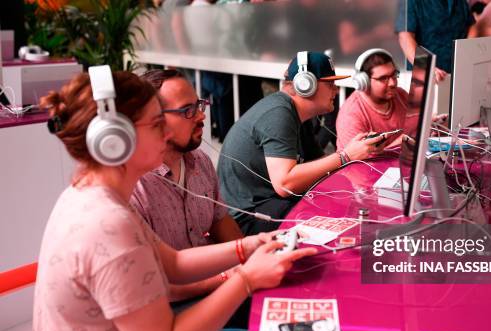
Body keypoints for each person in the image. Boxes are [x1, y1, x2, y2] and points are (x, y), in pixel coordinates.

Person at [34, 69, 315, 331]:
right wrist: (246, 280)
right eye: (156, 125)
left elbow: (175, 262)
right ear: (115, 141)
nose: (166, 134)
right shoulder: (105, 222)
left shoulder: (97, 196)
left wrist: (248, 246)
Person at [217, 51, 383, 235]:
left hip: (270, 203)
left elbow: (320, 166)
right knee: (336, 221)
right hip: (249, 217)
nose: (336, 90)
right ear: (305, 85)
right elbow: (285, 184)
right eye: (330, 83)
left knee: (345, 201)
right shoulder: (278, 114)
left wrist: (359, 158)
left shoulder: (298, 116)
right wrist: (346, 156)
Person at [131, 69, 244, 303]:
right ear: (153, 120)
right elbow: (155, 286)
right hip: (174, 304)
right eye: (187, 111)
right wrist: (232, 276)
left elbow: (219, 219)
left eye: (198, 106)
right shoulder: (134, 188)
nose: (201, 116)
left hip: (216, 282)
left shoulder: (199, 160)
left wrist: (250, 255)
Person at [336, 48, 417, 151]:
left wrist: (428, 124)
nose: (392, 83)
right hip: (364, 166)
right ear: (364, 82)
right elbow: (363, 161)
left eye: (394, 74)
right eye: (383, 78)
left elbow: (414, 123)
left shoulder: (400, 95)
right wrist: (404, 140)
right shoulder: (351, 115)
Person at [395, 0, 475, 83]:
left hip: (459, 73)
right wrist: (426, 67)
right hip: (427, 77)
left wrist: (466, 54)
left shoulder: (460, 2)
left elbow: (472, 26)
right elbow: (405, 38)